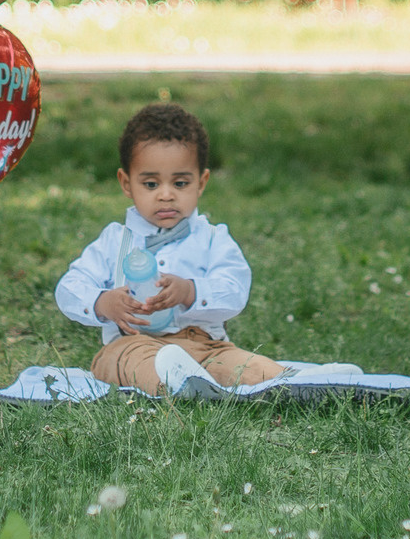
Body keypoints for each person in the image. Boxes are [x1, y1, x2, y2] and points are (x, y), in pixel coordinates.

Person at [53, 101, 288, 395]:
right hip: (133, 343)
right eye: (151, 184)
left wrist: (191, 291)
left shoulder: (213, 239)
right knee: (124, 361)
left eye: (179, 183)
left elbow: (235, 290)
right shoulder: (115, 241)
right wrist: (103, 303)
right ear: (126, 183)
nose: (166, 195)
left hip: (205, 345)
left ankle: (296, 380)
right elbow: (69, 287)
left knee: (249, 369)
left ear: (201, 182)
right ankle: (174, 382)